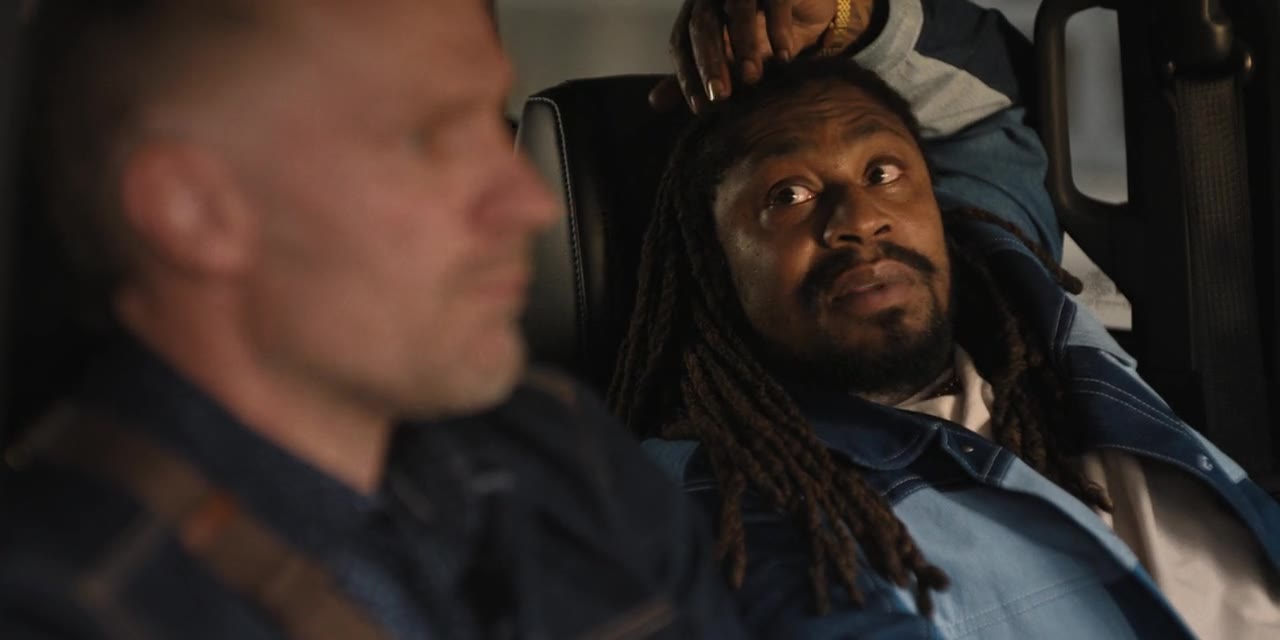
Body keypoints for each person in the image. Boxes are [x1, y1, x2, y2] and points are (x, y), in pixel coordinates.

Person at [0, 1, 746, 638]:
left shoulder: (567, 458)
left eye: (494, 123)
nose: (530, 203)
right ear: (194, 212)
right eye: (429, 138)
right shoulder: (63, 603)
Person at [613, 0, 1280, 637]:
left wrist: (853, 19)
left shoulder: (1005, 289)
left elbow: (982, 107)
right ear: (712, 267)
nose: (860, 218)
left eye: (882, 173)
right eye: (789, 194)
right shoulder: (733, 506)